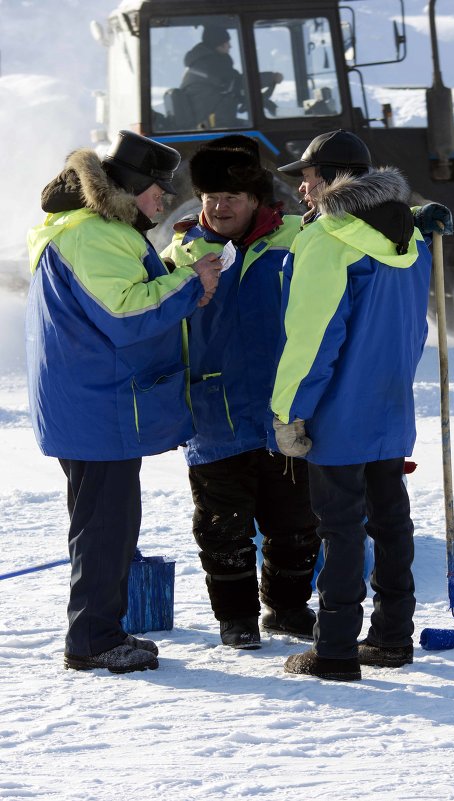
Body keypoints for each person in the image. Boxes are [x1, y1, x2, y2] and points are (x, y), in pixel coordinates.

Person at [26, 130, 221, 674]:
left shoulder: (85, 229)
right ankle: (92, 639)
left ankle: (100, 628)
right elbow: (125, 313)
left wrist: (177, 268)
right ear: (132, 187)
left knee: (100, 521)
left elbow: (119, 291)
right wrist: (189, 283)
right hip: (101, 405)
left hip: (88, 400)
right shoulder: (95, 235)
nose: (162, 198)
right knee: (106, 524)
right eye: (157, 188)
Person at [271, 129, 451, 681]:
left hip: (339, 412)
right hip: (390, 407)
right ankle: (393, 637)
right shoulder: (411, 237)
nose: (302, 190)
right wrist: (422, 215)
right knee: (391, 523)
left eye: (306, 179)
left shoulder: (329, 239)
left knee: (341, 529)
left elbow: (313, 338)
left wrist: (288, 411)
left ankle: (334, 651)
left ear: (328, 181)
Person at [161, 135, 320, 649]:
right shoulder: (182, 250)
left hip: (285, 411)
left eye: (230, 196)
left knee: (294, 526)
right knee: (221, 529)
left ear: (256, 199)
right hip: (214, 412)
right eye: (209, 196)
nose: (217, 205)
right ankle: (237, 623)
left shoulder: (299, 238)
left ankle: (289, 612)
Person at [180, 26, 283, 128]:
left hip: (211, 121)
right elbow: (242, 83)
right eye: (227, 42)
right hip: (213, 125)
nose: (230, 46)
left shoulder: (202, 63)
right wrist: (271, 78)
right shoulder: (211, 65)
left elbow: (233, 90)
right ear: (218, 45)